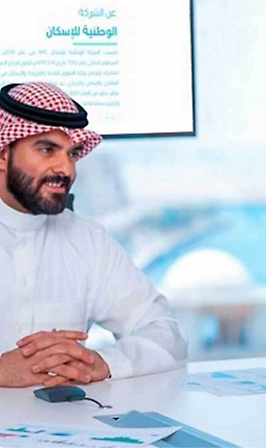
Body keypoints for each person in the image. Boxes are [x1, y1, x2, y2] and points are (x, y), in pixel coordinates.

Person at [0, 82, 187, 388]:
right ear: (3, 155)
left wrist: (102, 363)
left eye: (72, 154)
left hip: (65, 430)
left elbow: (166, 332)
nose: (67, 169)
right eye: (47, 150)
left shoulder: (88, 240)